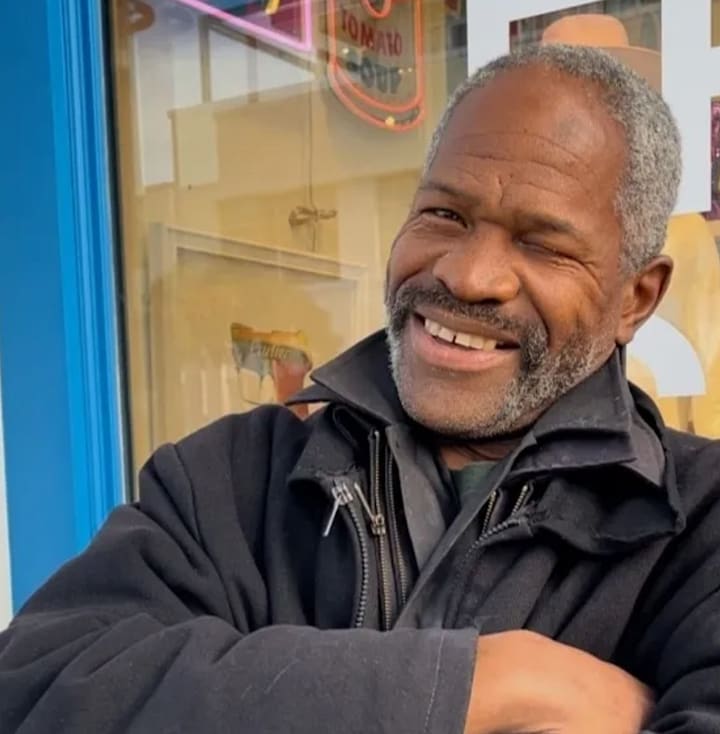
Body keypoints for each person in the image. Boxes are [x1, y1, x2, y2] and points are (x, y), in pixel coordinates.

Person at [2, 43, 719, 734]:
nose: (467, 275)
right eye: (446, 214)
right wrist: (486, 686)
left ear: (635, 298)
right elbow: (37, 691)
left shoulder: (700, 526)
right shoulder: (232, 478)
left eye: (542, 244)